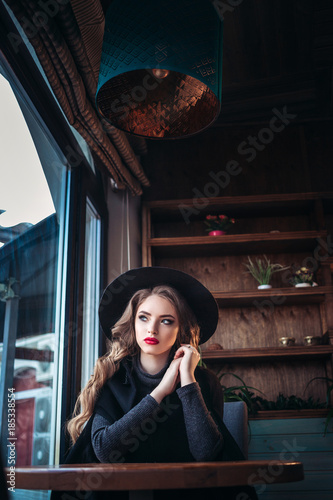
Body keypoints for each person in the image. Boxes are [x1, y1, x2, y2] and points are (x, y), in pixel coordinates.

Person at [52, 267, 258, 500]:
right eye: (144, 317)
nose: (152, 328)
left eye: (167, 321)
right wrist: (160, 392)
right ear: (133, 322)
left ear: (181, 329)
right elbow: (106, 451)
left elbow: (206, 454)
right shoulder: (112, 376)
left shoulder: (204, 382)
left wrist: (188, 380)